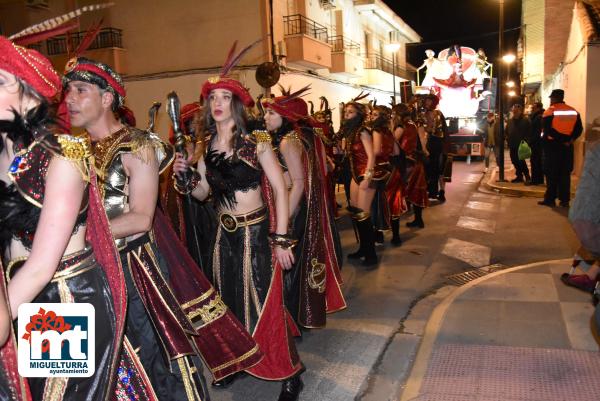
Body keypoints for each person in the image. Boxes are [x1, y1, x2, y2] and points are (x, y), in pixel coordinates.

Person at [64, 57, 263, 400]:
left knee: (151, 361)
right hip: (81, 271)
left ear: (107, 97)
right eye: (67, 90)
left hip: (131, 271)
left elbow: (141, 218)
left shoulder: (138, 144)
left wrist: (71, 240)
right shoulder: (70, 152)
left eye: (80, 90)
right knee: (78, 367)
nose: (69, 98)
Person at [0, 36, 132, 401]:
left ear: (30, 98)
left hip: (61, 300)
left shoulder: (63, 157)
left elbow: (41, 266)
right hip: (13, 294)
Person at [173, 42, 304, 401]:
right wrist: (186, 176)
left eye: (224, 97)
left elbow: (280, 188)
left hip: (258, 232)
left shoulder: (255, 141)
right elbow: (202, 195)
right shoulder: (205, 143)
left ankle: (291, 372)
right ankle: (234, 362)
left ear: (236, 104)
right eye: (212, 97)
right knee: (227, 305)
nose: (217, 103)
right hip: (223, 235)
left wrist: (280, 240)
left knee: (266, 303)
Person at [262, 88, 346, 329]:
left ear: (285, 116)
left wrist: (284, 217)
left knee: (290, 268)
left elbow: (298, 183)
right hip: (293, 207)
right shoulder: (294, 138)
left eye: (270, 113)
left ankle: (292, 319)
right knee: (293, 266)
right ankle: (296, 317)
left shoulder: (289, 141)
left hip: (292, 208)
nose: (265, 118)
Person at [340, 94, 378, 267]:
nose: (347, 115)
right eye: (345, 112)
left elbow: (371, 156)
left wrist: (368, 178)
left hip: (365, 175)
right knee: (356, 213)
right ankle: (363, 248)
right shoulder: (349, 132)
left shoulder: (363, 131)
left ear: (359, 114)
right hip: (354, 175)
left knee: (363, 215)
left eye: (351, 112)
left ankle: (371, 254)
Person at [539, 89, 583, 208]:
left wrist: (561, 140)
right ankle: (564, 201)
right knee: (564, 174)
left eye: (551, 98)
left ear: (554, 98)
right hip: (567, 148)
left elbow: (548, 130)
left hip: (552, 147)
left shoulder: (550, 111)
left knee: (551, 174)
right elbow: (579, 129)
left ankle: (550, 199)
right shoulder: (573, 111)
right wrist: (569, 140)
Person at [396, 103, 429, 228]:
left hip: (407, 163)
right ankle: (418, 219)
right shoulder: (413, 125)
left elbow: (394, 144)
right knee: (416, 190)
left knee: (400, 191)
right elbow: (421, 141)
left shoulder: (402, 127)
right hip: (415, 161)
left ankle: (395, 224)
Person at [369, 105, 394, 244]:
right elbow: (396, 151)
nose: (372, 116)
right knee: (381, 201)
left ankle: (376, 235)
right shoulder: (388, 131)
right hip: (387, 167)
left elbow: (377, 151)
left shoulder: (377, 130)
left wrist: (366, 153)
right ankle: (379, 234)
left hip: (378, 168)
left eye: (376, 114)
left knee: (375, 203)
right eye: (372, 113)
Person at [421, 94, 448, 202]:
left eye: (429, 101)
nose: (427, 103)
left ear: (434, 102)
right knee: (428, 169)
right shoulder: (421, 114)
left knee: (440, 169)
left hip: (438, 143)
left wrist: (446, 147)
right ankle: (430, 191)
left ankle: (441, 192)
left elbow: (445, 131)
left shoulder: (439, 114)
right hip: (426, 144)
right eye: (426, 101)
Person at [505, 103, 531, 184]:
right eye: (514, 110)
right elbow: (506, 132)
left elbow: (529, 131)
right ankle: (519, 176)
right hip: (512, 144)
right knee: (514, 160)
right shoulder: (510, 121)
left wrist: (527, 141)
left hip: (521, 144)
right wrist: (507, 138)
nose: (515, 111)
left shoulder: (525, 120)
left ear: (520, 111)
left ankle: (527, 176)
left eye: (517, 110)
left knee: (521, 161)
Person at [528, 102, 545, 185]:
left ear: (538, 108)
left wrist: (533, 140)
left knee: (536, 161)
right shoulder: (536, 116)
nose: (532, 109)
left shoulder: (538, 117)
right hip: (536, 142)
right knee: (536, 161)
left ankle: (536, 180)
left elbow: (538, 131)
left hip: (537, 143)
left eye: (533, 107)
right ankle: (537, 179)